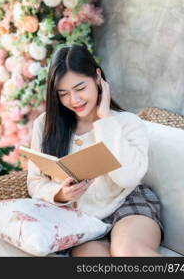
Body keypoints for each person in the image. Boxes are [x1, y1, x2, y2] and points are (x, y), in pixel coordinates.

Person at [26, 44, 163, 257]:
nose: (74, 100)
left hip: (126, 202)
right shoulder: (45, 125)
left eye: (80, 89)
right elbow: (35, 182)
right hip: (81, 217)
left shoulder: (127, 123)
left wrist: (105, 119)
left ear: (97, 78)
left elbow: (127, 179)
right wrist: (61, 194)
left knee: (127, 251)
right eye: (63, 94)